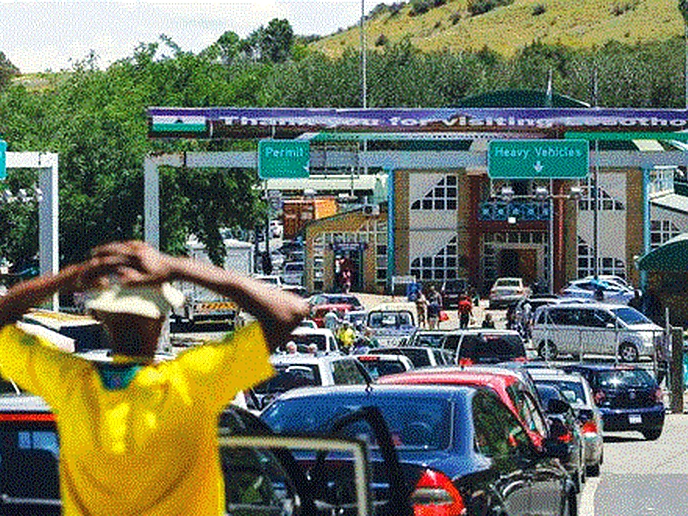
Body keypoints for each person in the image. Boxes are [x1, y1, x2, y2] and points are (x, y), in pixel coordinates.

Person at [0, 240, 308, 515]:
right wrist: (177, 267)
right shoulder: (192, 380)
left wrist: (75, 275)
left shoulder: (70, 385)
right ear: (161, 319)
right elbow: (289, 311)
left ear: (99, 316)